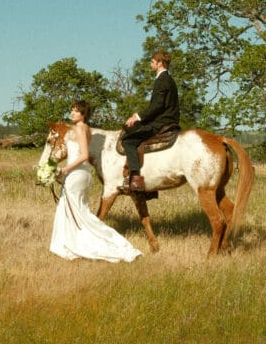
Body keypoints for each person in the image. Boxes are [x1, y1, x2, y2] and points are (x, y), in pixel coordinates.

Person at [49, 99, 142, 263]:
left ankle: (82, 243)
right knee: (78, 210)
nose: (72, 113)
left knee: (76, 210)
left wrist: (64, 169)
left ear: (83, 114)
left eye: (76, 111)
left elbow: (84, 155)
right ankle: (72, 241)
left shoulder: (79, 128)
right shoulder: (87, 129)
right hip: (83, 174)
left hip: (76, 173)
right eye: (71, 110)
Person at [120, 50, 180, 193]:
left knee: (128, 140)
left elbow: (157, 105)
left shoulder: (162, 80)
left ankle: (135, 180)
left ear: (160, 63)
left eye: (152, 62)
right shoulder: (168, 79)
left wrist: (137, 117)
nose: (151, 64)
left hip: (161, 122)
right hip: (166, 119)